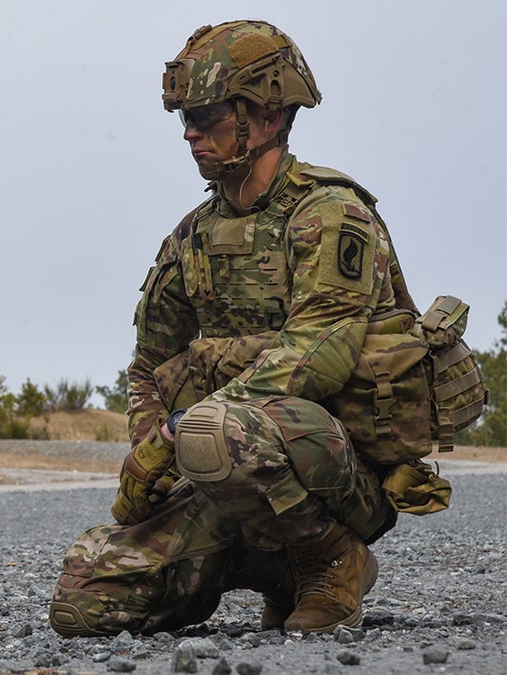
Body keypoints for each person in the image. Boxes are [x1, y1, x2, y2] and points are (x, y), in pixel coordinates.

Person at [50, 20, 445, 637]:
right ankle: (257, 568)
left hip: (336, 473)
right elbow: (149, 366)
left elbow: (320, 354)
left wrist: (179, 432)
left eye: (207, 114)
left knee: (213, 428)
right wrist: (147, 446)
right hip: (221, 465)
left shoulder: (331, 214)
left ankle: (331, 562)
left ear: (268, 115)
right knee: (84, 600)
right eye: (184, 116)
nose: (190, 132)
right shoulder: (192, 237)